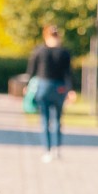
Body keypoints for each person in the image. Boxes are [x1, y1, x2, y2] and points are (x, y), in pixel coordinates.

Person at [27, 24, 75, 162]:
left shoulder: (39, 51)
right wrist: (71, 90)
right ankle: (57, 149)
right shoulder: (64, 52)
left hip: (43, 87)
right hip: (59, 88)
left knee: (45, 120)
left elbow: (31, 70)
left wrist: (27, 86)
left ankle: (47, 150)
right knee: (58, 120)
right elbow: (68, 73)